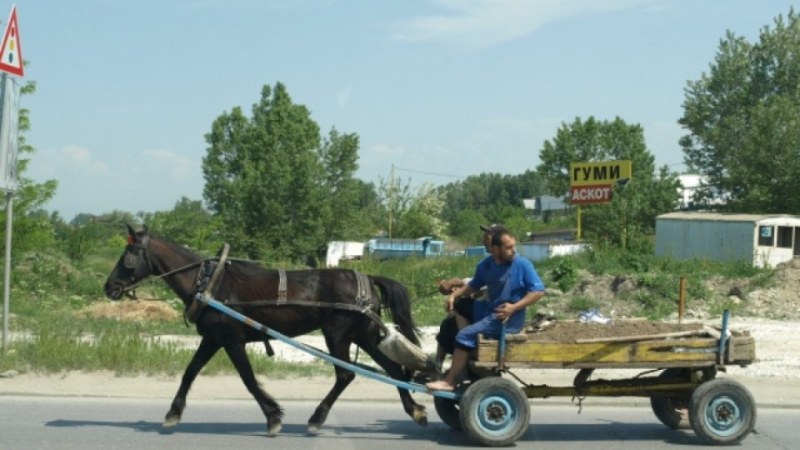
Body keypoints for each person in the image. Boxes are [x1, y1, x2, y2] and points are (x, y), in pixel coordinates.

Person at [427, 229, 546, 391]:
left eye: (513, 246)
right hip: (489, 310)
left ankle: (450, 381)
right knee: (460, 304)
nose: (514, 251)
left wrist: (514, 308)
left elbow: (538, 291)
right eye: (508, 248)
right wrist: (454, 296)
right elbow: (473, 285)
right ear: (495, 249)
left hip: (505, 317)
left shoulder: (522, 264)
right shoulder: (486, 266)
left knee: (463, 334)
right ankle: (469, 344)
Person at [433, 224, 505, 372]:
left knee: (457, 309)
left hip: (494, 313)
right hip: (486, 309)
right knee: (447, 324)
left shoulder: (503, 262)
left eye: (488, 237)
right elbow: (476, 283)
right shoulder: (489, 262)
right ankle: (437, 366)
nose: (484, 240)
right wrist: (456, 288)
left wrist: (456, 286)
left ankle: (470, 347)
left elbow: (480, 284)